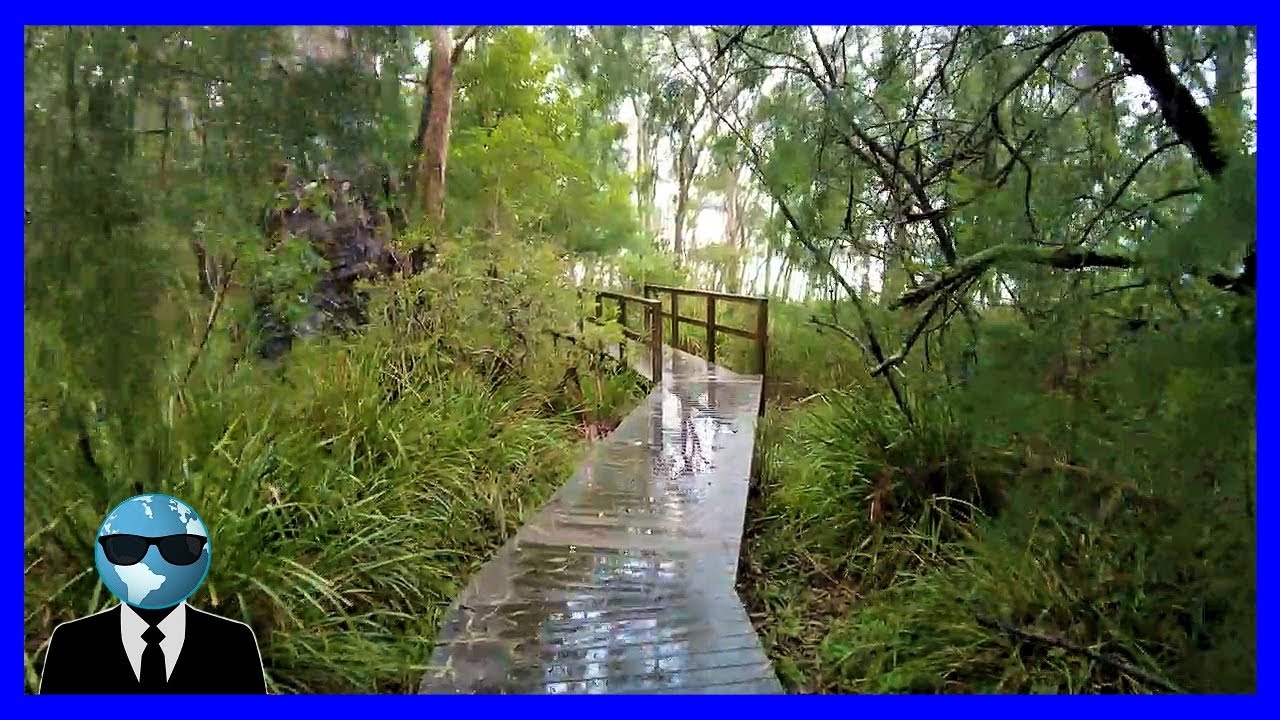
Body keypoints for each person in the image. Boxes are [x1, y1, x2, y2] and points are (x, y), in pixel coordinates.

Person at [39, 494, 267, 694]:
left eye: (178, 547)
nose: (153, 561)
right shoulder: (71, 645)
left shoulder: (235, 645)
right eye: (126, 548)